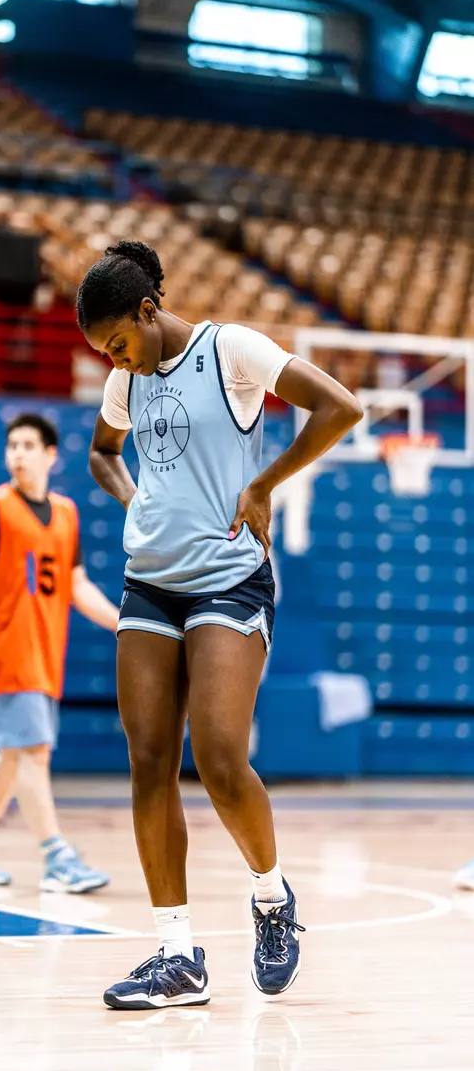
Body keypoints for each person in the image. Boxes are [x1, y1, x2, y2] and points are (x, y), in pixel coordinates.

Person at [78, 241, 363, 1008]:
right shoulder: (124, 383)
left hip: (229, 581)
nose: (117, 360)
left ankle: (273, 901)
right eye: (106, 353)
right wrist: (133, 497)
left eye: (119, 343)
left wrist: (265, 483)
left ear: (148, 311)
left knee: (221, 757)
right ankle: (178, 955)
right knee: (148, 759)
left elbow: (342, 406)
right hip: (150, 583)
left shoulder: (227, 349)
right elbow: (102, 454)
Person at [0, 412, 118, 893]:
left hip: (46, 656)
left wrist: (122, 623)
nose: (18, 454)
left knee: (15, 757)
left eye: (29, 445)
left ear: (51, 455)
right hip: (5, 654)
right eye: (12, 445)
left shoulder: (67, 514)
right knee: (33, 754)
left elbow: (76, 586)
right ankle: (57, 858)